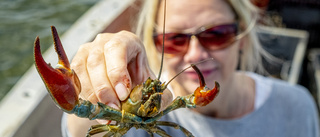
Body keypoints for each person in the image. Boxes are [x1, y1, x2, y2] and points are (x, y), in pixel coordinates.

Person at [62, 0, 319, 136]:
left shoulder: (297, 105)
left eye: (216, 34)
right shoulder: (156, 116)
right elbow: (84, 130)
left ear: (242, 36)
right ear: (155, 45)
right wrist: (93, 85)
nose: (196, 54)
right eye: (174, 40)